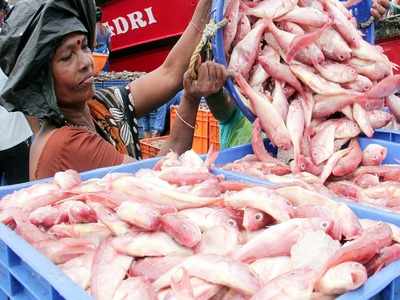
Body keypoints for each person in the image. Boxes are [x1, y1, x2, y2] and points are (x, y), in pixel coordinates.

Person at [0, 0, 228, 181]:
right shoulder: (67, 143)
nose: (86, 62)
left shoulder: (97, 108)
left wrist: (208, 4)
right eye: (67, 57)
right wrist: (190, 98)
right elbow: (160, 180)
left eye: (85, 46)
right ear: (42, 80)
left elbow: (170, 73)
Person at [93, 6, 111, 72]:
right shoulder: (106, 28)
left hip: (96, 58)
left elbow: (94, 44)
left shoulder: (93, 29)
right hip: (105, 57)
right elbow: (110, 47)